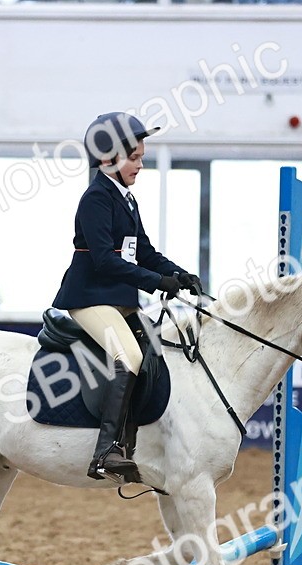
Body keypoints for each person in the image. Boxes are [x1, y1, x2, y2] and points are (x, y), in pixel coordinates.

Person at [51, 112, 203, 483]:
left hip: (119, 301)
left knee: (155, 350)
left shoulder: (126, 200)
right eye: (134, 157)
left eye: (141, 157)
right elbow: (104, 261)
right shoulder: (96, 199)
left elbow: (145, 251)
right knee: (130, 356)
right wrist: (156, 282)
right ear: (108, 159)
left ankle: (135, 440)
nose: (140, 165)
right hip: (89, 298)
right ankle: (104, 453)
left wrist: (179, 274)